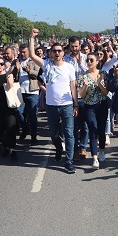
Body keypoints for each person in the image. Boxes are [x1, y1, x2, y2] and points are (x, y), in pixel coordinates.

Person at [28, 28, 78, 173]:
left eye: (59, 51)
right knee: (54, 134)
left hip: (67, 105)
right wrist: (32, 38)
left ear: (63, 53)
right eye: (54, 51)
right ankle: (58, 148)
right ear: (51, 53)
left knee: (69, 133)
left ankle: (68, 161)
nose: (57, 53)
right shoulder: (47, 64)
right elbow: (31, 55)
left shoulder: (69, 67)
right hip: (51, 106)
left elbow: (73, 86)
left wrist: (75, 104)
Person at [77, 52, 109, 169]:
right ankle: (95, 158)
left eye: (91, 60)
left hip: (102, 105)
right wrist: (85, 86)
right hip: (89, 106)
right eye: (87, 60)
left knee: (101, 130)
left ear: (97, 61)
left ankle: (101, 151)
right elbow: (82, 94)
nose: (89, 62)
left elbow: (106, 92)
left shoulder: (103, 74)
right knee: (92, 128)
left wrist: (100, 84)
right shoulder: (82, 76)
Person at [64, 36, 89, 160]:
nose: (75, 49)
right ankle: (73, 148)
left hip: (84, 95)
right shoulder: (65, 60)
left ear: (80, 46)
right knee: (72, 125)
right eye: (72, 46)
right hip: (70, 96)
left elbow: (91, 74)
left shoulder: (85, 59)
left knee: (84, 124)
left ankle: (83, 147)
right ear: (69, 46)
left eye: (76, 46)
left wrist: (81, 65)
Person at [18, 45, 40, 145]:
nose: (22, 54)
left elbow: (38, 74)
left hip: (32, 92)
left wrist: (29, 71)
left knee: (32, 116)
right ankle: (25, 128)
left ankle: (34, 136)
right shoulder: (17, 61)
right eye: (21, 52)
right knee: (18, 113)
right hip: (19, 91)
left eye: (24, 52)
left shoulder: (34, 61)